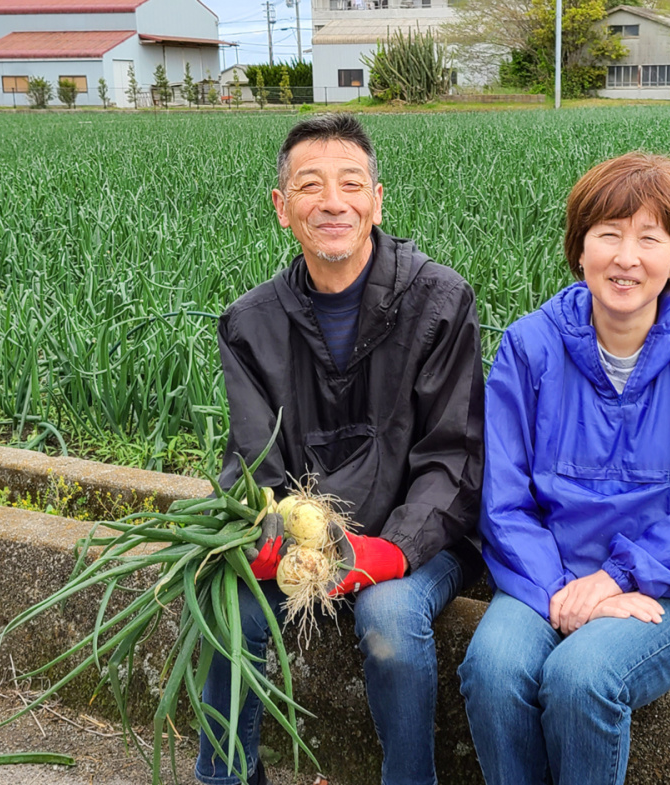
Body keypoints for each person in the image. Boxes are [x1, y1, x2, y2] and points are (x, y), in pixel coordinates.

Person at [458, 152, 670, 785]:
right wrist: (563, 591)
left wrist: (618, 576)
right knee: (492, 668)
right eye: (608, 234)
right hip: (547, 575)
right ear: (580, 250)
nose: (627, 257)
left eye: (649, 238)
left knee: (582, 678)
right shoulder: (530, 346)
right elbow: (504, 498)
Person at [195, 114, 484, 785]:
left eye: (351, 183)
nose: (332, 202)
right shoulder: (249, 322)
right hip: (307, 542)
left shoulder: (439, 301)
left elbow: (453, 455)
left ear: (376, 200)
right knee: (226, 601)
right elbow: (251, 456)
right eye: (310, 185)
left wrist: (392, 548)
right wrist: (264, 528)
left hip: (421, 538)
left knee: (388, 620)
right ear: (282, 207)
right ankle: (226, 776)